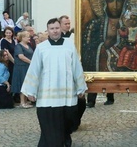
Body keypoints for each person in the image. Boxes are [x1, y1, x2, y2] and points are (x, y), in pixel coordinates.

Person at [21, 18, 87, 147]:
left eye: (57, 28)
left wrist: (80, 88)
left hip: (66, 95)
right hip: (47, 97)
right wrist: (30, 90)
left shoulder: (70, 45)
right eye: (52, 29)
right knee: (49, 124)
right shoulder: (41, 48)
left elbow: (76, 68)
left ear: (60, 29)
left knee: (68, 120)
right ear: (48, 31)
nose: (55, 31)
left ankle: (65, 138)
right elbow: (34, 69)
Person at [83, 0, 137, 107]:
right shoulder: (95, 24)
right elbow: (86, 48)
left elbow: (134, 43)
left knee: (112, 77)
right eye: (111, 0)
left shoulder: (128, 24)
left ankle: (110, 97)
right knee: (95, 78)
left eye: (119, 1)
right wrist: (102, 46)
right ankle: (91, 100)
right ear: (104, 3)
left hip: (119, 65)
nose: (115, 5)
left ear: (125, 3)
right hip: (99, 64)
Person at [117, 4, 137, 70]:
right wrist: (120, 30)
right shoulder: (129, 29)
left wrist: (134, 47)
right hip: (128, 45)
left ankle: (126, 66)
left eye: (135, 19)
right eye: (131, 19)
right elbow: (124, 34)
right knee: (123, 51)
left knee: (128, 53)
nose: (132, 21)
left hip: (134, 47)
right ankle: (121, 66)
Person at [11, 31, 34, 108]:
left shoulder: (28, 45)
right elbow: (21, 56)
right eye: (27, 36)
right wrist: (31, 62)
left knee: (27, 83)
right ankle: (22, 102)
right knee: (22, 83)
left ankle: (25, 101)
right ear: (23, 37)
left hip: (27, 67)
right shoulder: (18, 46)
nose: (29, 38)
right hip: (21, 67)